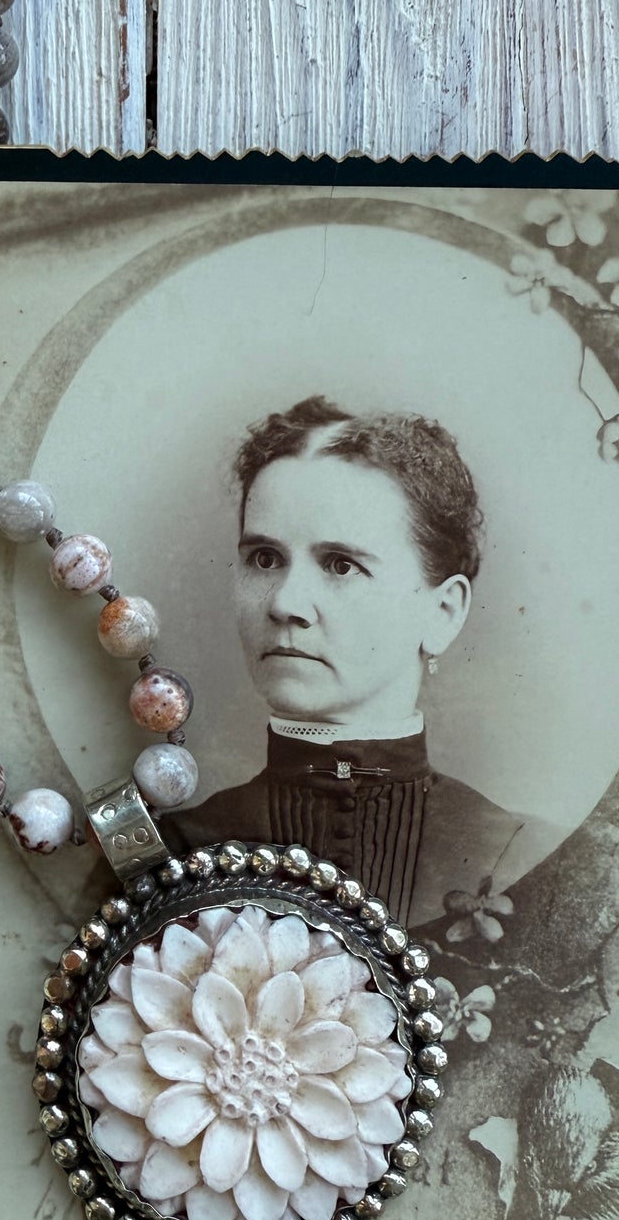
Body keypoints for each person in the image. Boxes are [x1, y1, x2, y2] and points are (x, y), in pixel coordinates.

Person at [163, 396, 539, 930]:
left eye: (341, 565)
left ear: (443, 612)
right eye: (264, 559)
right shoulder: (171, 859)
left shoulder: (525, 860)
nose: (285, 602)